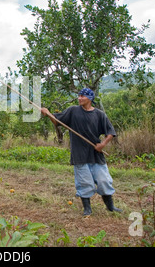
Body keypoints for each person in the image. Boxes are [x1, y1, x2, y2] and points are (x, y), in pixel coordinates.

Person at [40, 88, 122, 216]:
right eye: (78, 96)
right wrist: (48, 113)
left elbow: (110, 132)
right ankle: (87, 209)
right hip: (79, 154)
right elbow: (57, 121)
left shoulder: (99, 114)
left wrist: (102, 145)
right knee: (84, 182)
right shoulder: (73, 111)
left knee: (104, 180)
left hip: (96, 154)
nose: (79, 98)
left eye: (82, 96)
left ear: (90, 98)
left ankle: (110, 207)